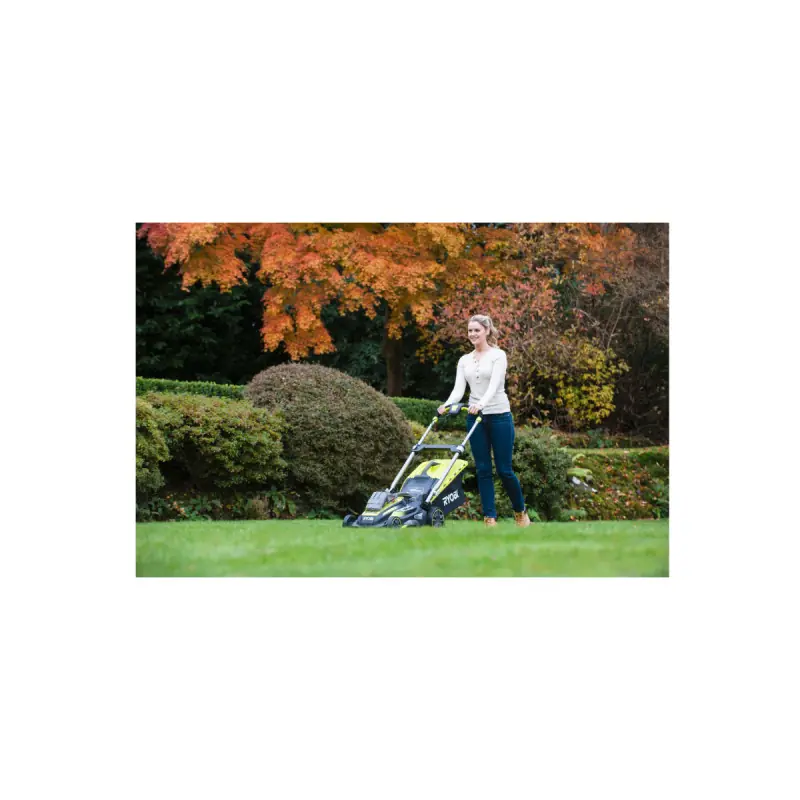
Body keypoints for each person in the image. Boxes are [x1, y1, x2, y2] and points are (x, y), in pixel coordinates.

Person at [438, 314, 531, 528]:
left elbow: (494, 386)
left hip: (499, 416)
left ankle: (520, 513)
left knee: (504, 470)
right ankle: (490, 518)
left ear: (487, 331)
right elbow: (459, 390)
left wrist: (481, 404)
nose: (472, 334)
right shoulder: (464, 360)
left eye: (477, 330)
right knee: (482, 469)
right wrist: (447, 405)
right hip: (475, 419)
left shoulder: (498, 356)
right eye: (470, 330)